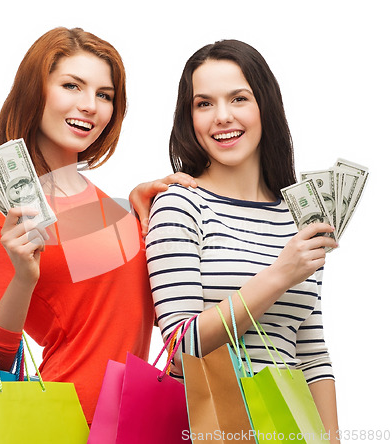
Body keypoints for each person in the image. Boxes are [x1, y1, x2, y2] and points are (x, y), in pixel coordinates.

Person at [0, 26, 196, 426]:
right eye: (72, 86)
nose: (90, 105)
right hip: (62, 424)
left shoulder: (115, 209)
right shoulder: (7, 219)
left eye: (104, 95)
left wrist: (137, 217)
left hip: (135, 424)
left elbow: (151, 315)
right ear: (36, 92)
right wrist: (23, 279)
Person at [145, 39, 340, 441]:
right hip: (207, 428)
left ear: (264, 106)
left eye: (238, 98)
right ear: (189, 118)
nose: (222, 116)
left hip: (286, 429)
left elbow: (312, 354)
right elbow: (182, 347)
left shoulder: (297, 215)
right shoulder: (181, 205)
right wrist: (279, 275)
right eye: (204, 104)